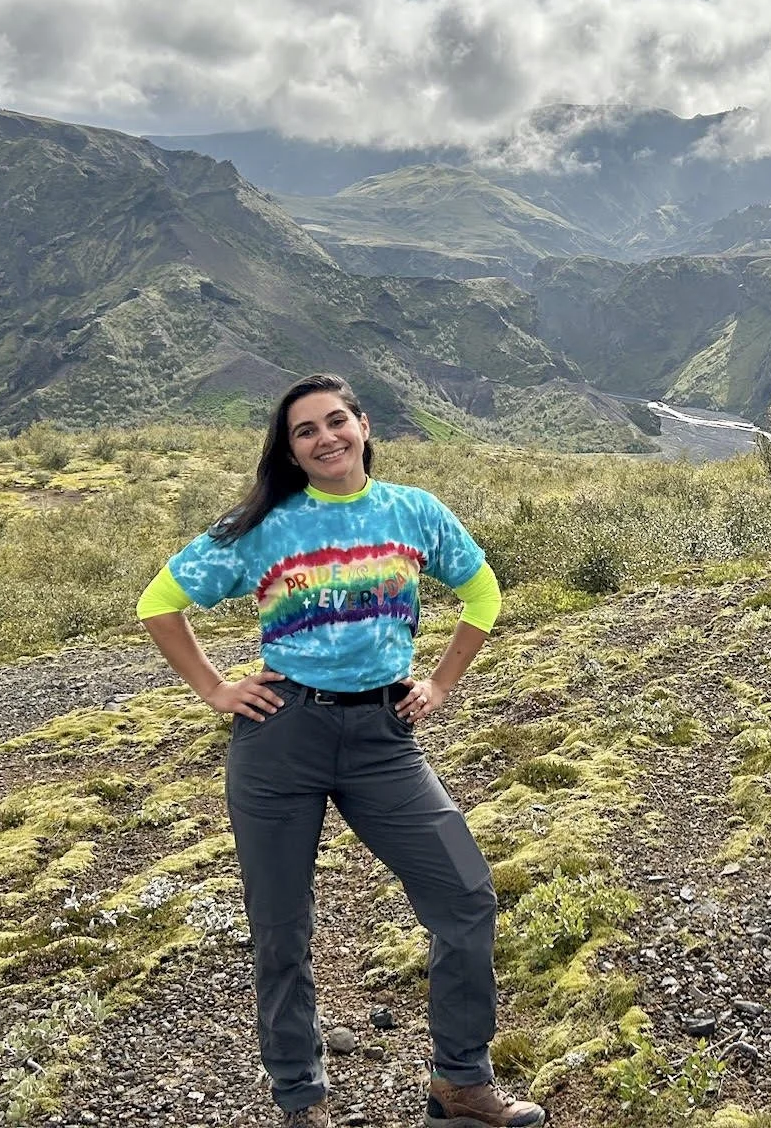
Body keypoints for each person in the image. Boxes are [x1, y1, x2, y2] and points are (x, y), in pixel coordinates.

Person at [136, 373, 544, 1128]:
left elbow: (483, 594)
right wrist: (216, 688)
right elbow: (159, 603)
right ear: (290, 451)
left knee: (465, 895)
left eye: (335, 421)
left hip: (384, 739)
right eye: (305, 431)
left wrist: (441, 683)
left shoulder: (414, 512)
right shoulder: (265, 526)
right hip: (281, 737)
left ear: (363, 425)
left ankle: (460, 1083)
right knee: (280, 929)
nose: (325, 438)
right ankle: (302, 1101)